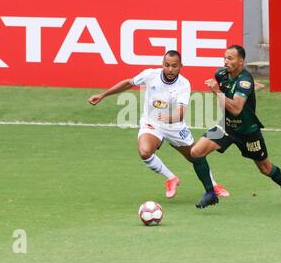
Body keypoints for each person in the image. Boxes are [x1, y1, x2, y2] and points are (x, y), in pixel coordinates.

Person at [88, 50, 229, 199]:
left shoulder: (184, 84)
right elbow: (128, 83)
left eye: (174, 66)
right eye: (167, 65)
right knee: (144, 152)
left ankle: (214, 185)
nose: (170, 69)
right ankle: (171, 178)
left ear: (181, 66)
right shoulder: (150, 75)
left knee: (195, 156)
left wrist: (168, 118)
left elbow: (180, 113)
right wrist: (103, 95)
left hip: (175, 127)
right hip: (152, 124)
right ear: (162, 64)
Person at [190, 45, 281, 208]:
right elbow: (225, 103)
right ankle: (210, 193)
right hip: (226, 127)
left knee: (265, 168)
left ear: (241, 61)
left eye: (230, 58)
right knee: (196, 152)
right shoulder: (221, 74)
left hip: (248, 132)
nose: (226, 61)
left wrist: (217, 92)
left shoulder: (245, 81)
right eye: (225, 57)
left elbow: (237, 109)